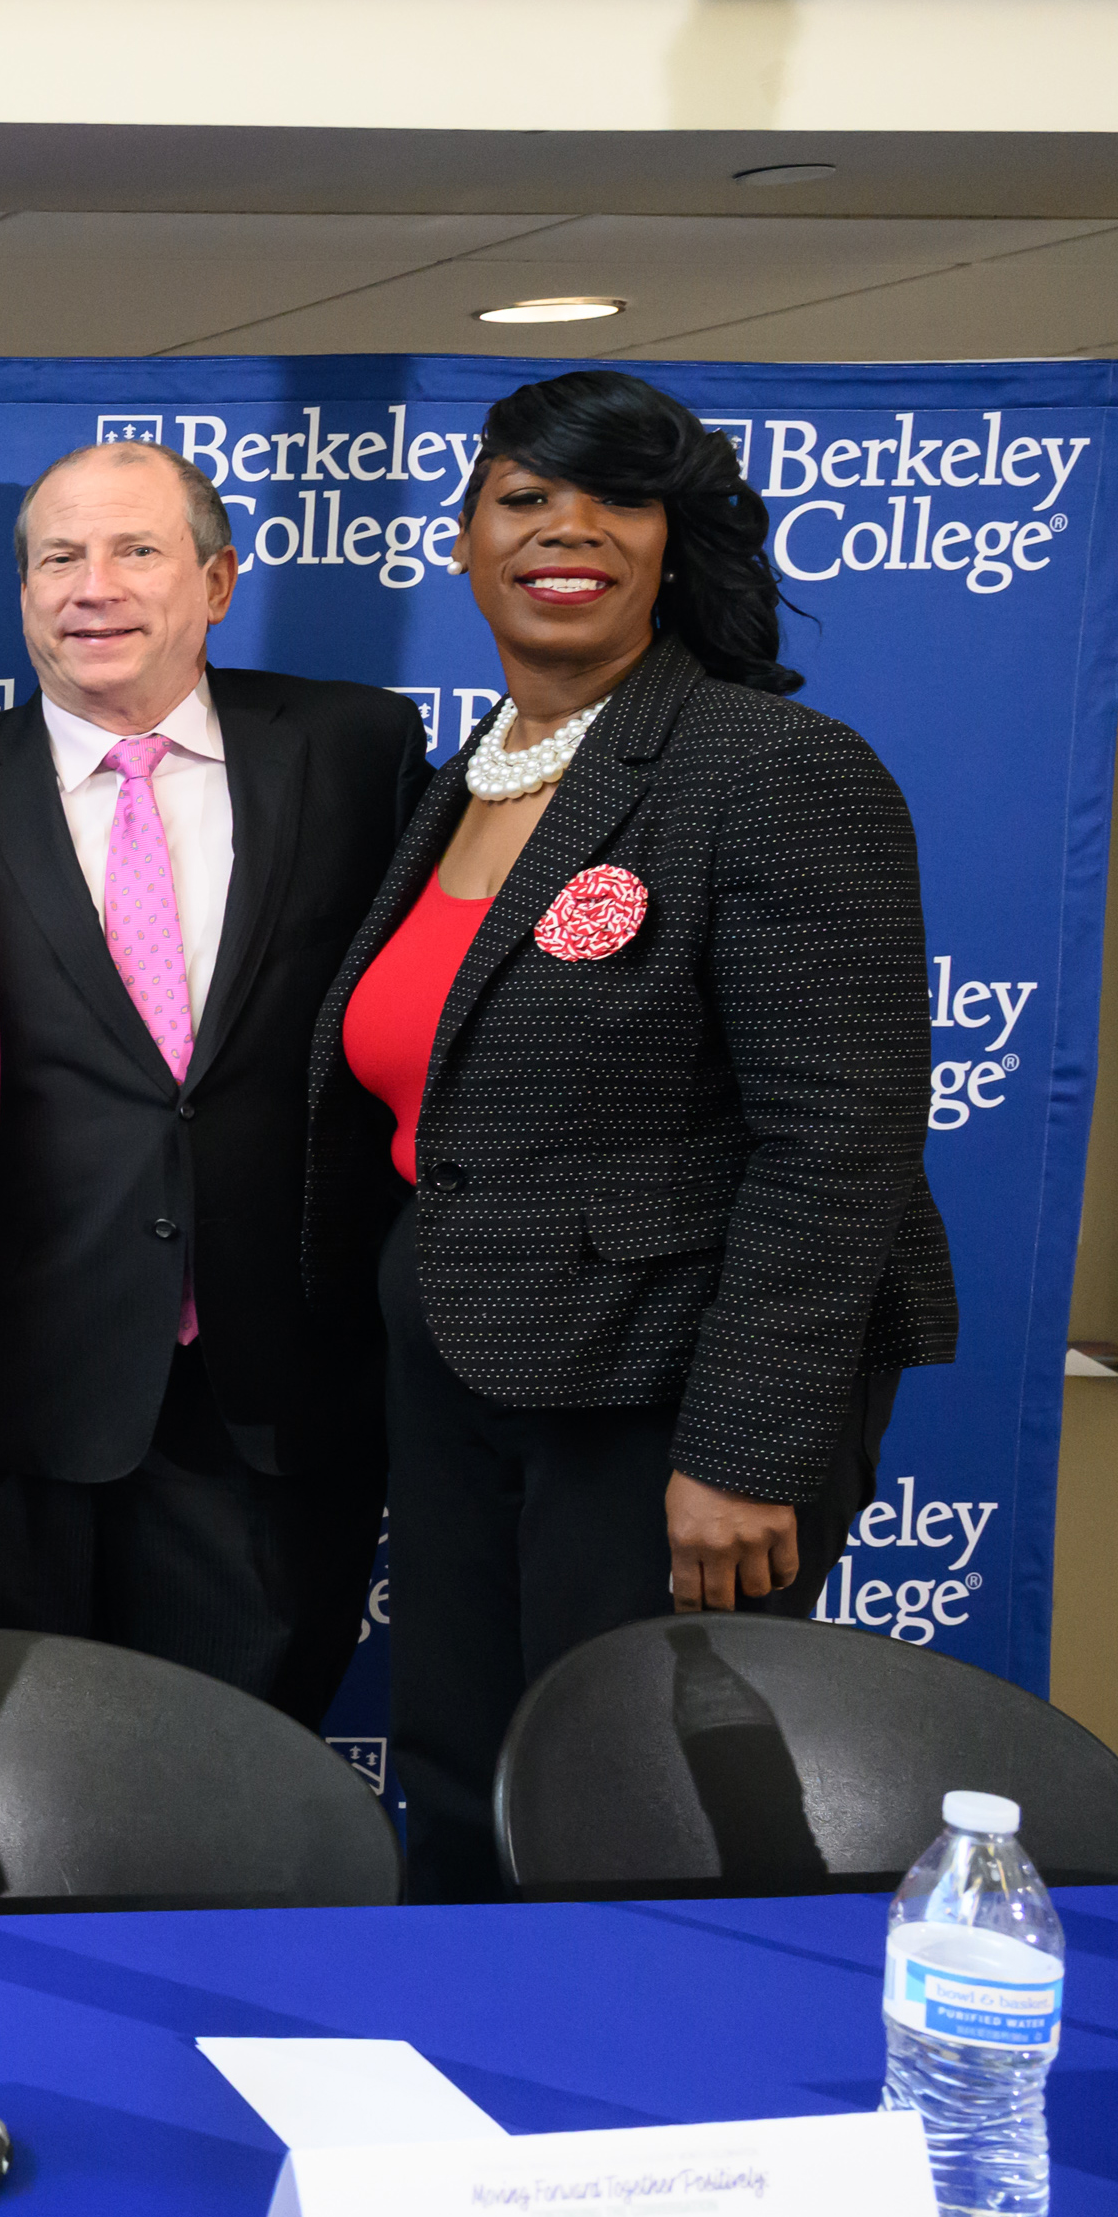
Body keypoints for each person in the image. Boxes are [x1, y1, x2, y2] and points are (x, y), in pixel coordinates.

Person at [315, 369, 952, 1900]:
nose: (564, 531)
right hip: (464, 1361)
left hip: (665, 1398)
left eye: (614, 500)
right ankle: (462, 2089)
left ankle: (653, 2122)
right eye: (521, 499)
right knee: (466, 1778)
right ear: (462, 545)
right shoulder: (466, 776)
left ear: (676, 545)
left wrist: (743, 1452)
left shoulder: (769, 771)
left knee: (637, 1806)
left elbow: (839, 1143)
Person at [0, 442, 428, 1723]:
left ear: (218, 582)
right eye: (58, 556)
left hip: (275, 1401)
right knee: (2, 1785)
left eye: (136, 551)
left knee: (242, 1801)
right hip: (7, 1399)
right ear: (22, 596)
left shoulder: (356, 750)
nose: (92, 586)